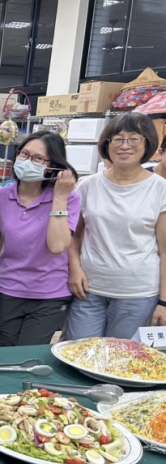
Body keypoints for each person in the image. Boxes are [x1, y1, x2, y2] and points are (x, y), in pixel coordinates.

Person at [66, 113, 166, 339]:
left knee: (122, 356)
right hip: (88, 289)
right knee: (79, 352)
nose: (125, 145)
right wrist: (75, 269)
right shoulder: (88, 185)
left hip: (138, 294)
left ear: (148, 143)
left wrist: (164, 302)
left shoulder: (160, 189)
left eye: (134, 139)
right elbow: (73, 235)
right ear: (107, 143)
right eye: (117, 139)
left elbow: (165, 250)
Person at [0, 132, 80, 347]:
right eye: (24, 154)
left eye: (38, 158)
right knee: (4, 351)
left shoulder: (68, 199)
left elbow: (57, 246)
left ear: (52, 167)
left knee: (27, 354)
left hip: (49, 293)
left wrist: (60, 197)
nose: (27, 161)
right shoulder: (1, 196)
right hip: (8, 288)